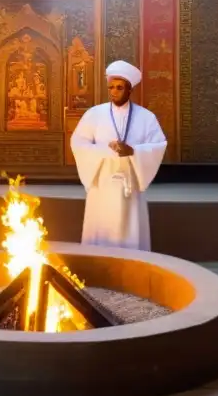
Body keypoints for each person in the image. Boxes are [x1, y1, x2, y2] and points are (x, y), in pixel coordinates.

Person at [70, 60, 168, 252]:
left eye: (119, 87)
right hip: (102, 183)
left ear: (129, 89)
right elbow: (78, 143)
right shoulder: (94, 114)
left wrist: (133, 151)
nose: (114, 91)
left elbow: (159, 145)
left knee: (129, 229)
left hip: (129, 184)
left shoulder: (146, 117)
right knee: (102, 227)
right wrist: (106, 151)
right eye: (111, 87)